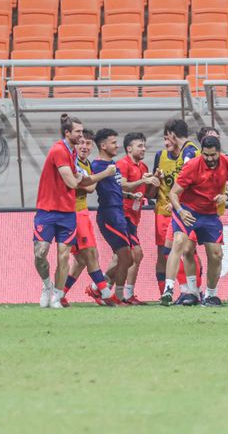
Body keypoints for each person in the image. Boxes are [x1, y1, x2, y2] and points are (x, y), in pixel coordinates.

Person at [34, 114, 115, 309]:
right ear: (67, 132)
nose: (83, 140)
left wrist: (88, 177)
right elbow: (74, 183)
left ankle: (58, 297)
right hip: (48, 210)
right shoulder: (60, 151)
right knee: (41, 253)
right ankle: (49, 287)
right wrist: (100, 175)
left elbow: (87, 185)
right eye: (79, 133)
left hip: (70, 212)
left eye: (86, 140)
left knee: (71, 256)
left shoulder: (73, 155)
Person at [161, 136, 228, 307]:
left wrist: (226, 196)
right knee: (181, 243)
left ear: (219, 152)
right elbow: (174, 193)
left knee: (216, 254)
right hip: (187, 210)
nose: (210, 159)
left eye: (213, 155)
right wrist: (181, 211)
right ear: (202, 152)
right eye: (206, 155)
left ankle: (210, 296)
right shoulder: (192, 166)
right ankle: (170, 290)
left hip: (210, 214)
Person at [60, 129, 117, 307]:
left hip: (82, 211)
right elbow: (87, 186)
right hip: (74, 213)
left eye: (88, 143)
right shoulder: (71, 161)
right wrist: (100, 176)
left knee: (82, 259)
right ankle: (105, 293)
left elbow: (89, 186)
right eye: (81, 143)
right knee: (91, 254)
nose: (84, 146)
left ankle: (60, 293)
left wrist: (87, 181)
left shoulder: (86, 164)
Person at [91, 128, 138, 303]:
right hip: (109, 214)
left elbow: (115, 189)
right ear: (103, 146)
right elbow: (90, 186)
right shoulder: (97, 166)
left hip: (118, 213)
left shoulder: (113, 165)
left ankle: (98, 286)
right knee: (127, 257)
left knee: (128, 258)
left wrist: (130, 196)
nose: (117, 145)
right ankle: (117, 297)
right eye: (113, 142)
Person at [153, 119, 200, 296]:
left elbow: (187, 181)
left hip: (188, 210)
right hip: (179, 209)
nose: (166, 142)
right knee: (173, 250)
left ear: (172, 134)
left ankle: (192, 290)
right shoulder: (183, 152)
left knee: (188, 250)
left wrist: (175, 199)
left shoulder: (190, 152)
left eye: (167, 137)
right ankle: (186, 290)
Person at [116, 132, 160, 305]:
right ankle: (123, 293)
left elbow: (148, 195)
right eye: (140, 146)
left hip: (134, 216)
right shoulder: (122, 164)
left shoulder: (143, 167)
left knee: (123, 257)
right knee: (135, 254)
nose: (144, 149)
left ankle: (103, 288)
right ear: (129, 148)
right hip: (122, 215)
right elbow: (123, 185)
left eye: (144, 145)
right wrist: (142, 180)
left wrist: (155, 182)